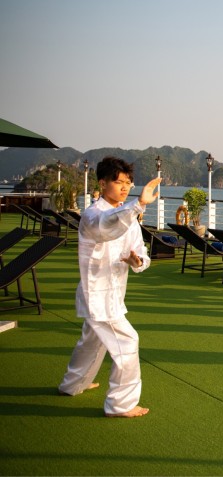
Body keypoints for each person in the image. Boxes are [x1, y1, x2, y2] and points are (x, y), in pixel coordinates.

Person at [58, 156, 162, 418]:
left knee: (91, 341)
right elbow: (108, 227)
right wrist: (137, 204)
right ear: (102, 184)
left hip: (112, 294)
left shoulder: (128, 218)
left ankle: (73, 384)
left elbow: (140, 252)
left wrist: (138, 261)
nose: (124, 188)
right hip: (97, 295)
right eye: (118, 182)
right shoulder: (94, 215)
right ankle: (120, 404)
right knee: (128, 341)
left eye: (128, 183)